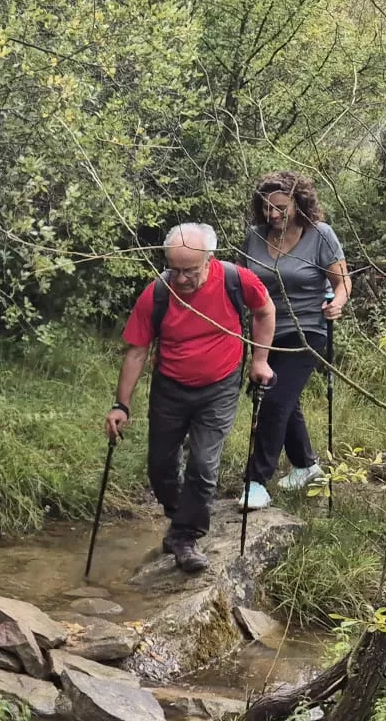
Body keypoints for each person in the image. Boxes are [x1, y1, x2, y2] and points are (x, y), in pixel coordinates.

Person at [106, 223, 275, 574]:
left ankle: (186, 535)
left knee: (203, 463)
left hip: (220, 385)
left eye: (190, 271)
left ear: (209, 260)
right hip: (170, 386)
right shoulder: (157, 293)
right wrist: (121, 405)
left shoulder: (235, 279)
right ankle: (179, 516)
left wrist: (260, 360)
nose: (181, 278)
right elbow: (137, 351)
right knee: (160, 465)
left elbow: (264, 310)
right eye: (174, 269)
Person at [237, 171, 348, 508]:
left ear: (299, 204)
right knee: (286, 401)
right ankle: (306, 465)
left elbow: (342, 282)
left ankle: (256, 481)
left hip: (306, 332)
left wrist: (337, 303)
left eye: (281, 208)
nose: (273, 215)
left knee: (274, 400)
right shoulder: (254, 237)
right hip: (264, 333)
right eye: (267, 207)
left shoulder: (320, 235)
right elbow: (239, 282)